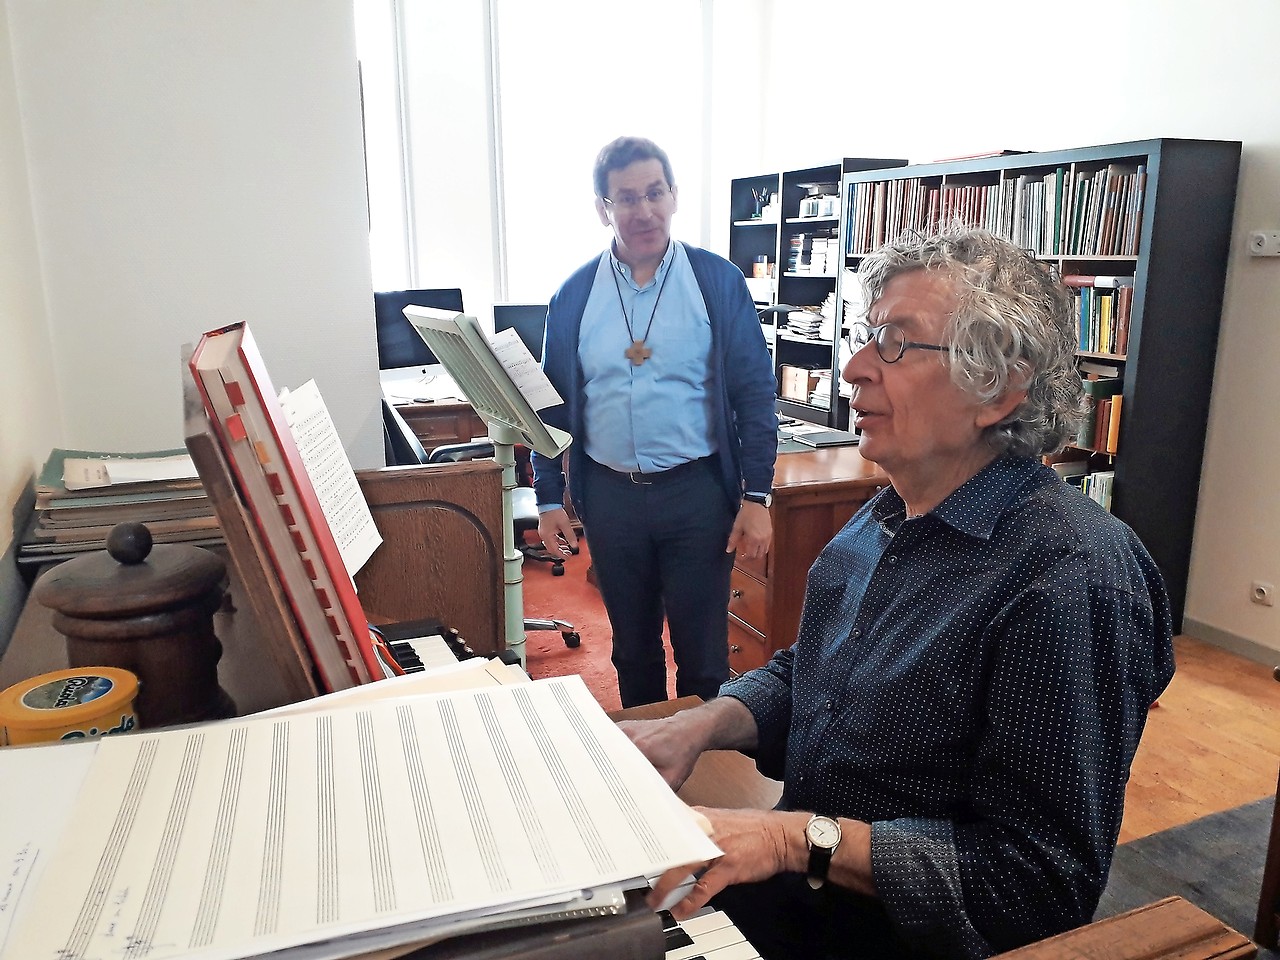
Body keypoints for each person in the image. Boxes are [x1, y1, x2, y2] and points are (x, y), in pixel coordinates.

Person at [626, 226, 1176, 959]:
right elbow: (816, 675)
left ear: (1000, 390)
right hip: (801, 887)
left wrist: (795, 839)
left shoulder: (1070, 578)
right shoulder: (889, 510)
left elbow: (1037, 883)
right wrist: (704, 723)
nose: (852, 367)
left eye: (894, 343)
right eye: (864, 335)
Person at [531, 136, 777, 708]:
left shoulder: (717, 283)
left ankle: (708, 775)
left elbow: (754, 393)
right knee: (632, 649)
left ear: (673, 196)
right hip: (611, 496)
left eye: (654, 193)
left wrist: (757, 497)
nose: (643, 211)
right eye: (625, 198)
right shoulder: (573, 295)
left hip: (697, 495)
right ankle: (641, 769)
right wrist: (547, 500)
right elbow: (549, 408)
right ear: (603, 208)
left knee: (704, 655)